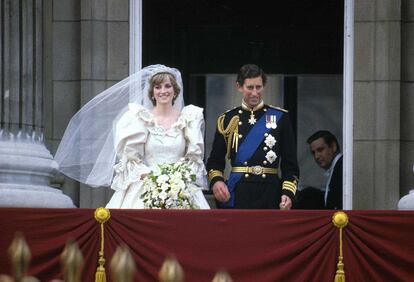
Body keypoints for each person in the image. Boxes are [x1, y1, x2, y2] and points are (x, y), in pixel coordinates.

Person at [54, 64, 210, 209]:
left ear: (175, 91)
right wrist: (154, 180)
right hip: (146, 186)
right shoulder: (139, 118)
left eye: (168, 86)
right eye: (158, 87)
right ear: (152, 93)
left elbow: (193, 159)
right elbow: (132, 159)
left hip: (181, 189)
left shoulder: (189, 118)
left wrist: (177, 180)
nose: (163, 91)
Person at [206, 64, 299, 209]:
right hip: (238, 192)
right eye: (250, 87)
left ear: (264, 86)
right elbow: (215, 162)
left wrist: (288, 192)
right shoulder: (228, 119)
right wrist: (217, 181)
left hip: (270, 193)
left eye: (258, 87)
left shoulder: (280, 117)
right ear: (239, 87)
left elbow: (290, 164)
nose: (255, 93)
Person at [307, 130, 343, 210]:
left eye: (320, 150)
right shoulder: (336, 168)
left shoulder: (342, 168)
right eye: (313, 153)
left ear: (333, 147)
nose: (316, 156)